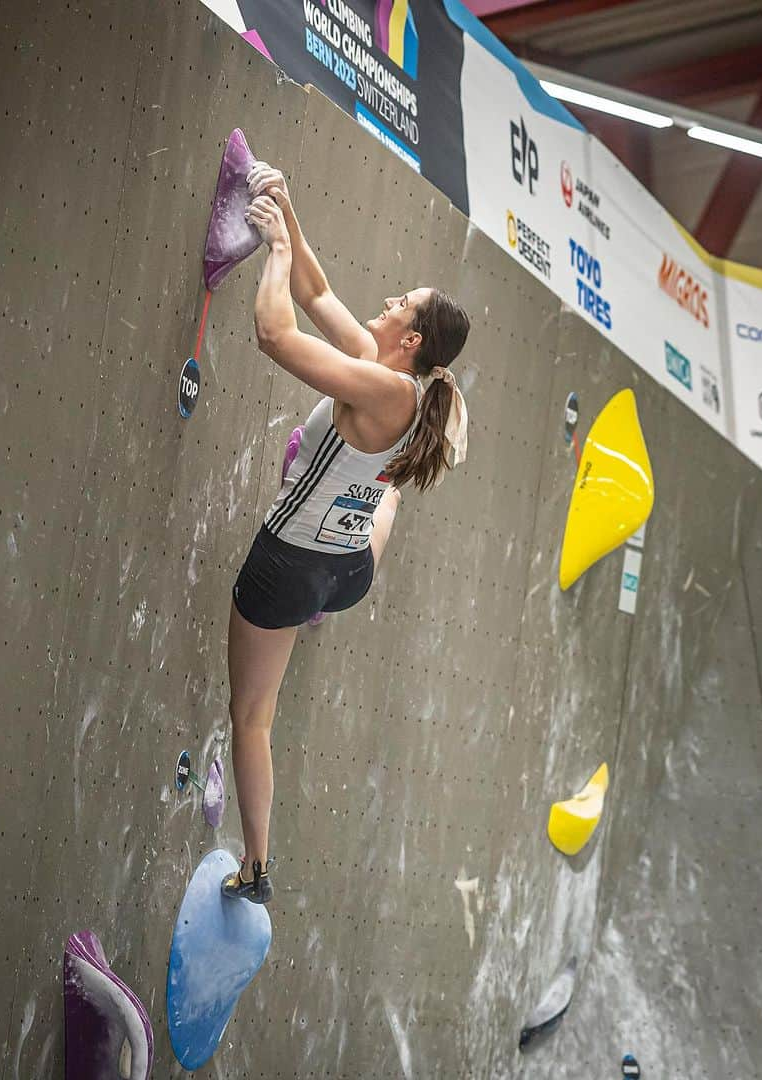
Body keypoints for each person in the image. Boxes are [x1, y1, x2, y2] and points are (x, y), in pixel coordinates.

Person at [221, 161, 470, 903]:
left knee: (252, 717)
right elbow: (319, 292)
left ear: (411, 336)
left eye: (399, 302)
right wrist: (288, 211)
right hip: (349, 569)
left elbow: (275, 331)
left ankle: (259, 868)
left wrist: (270, 250)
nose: (386, 301)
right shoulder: (409, 387)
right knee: (385, 502)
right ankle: (325, 596)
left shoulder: (384, 388)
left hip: (288, 565)